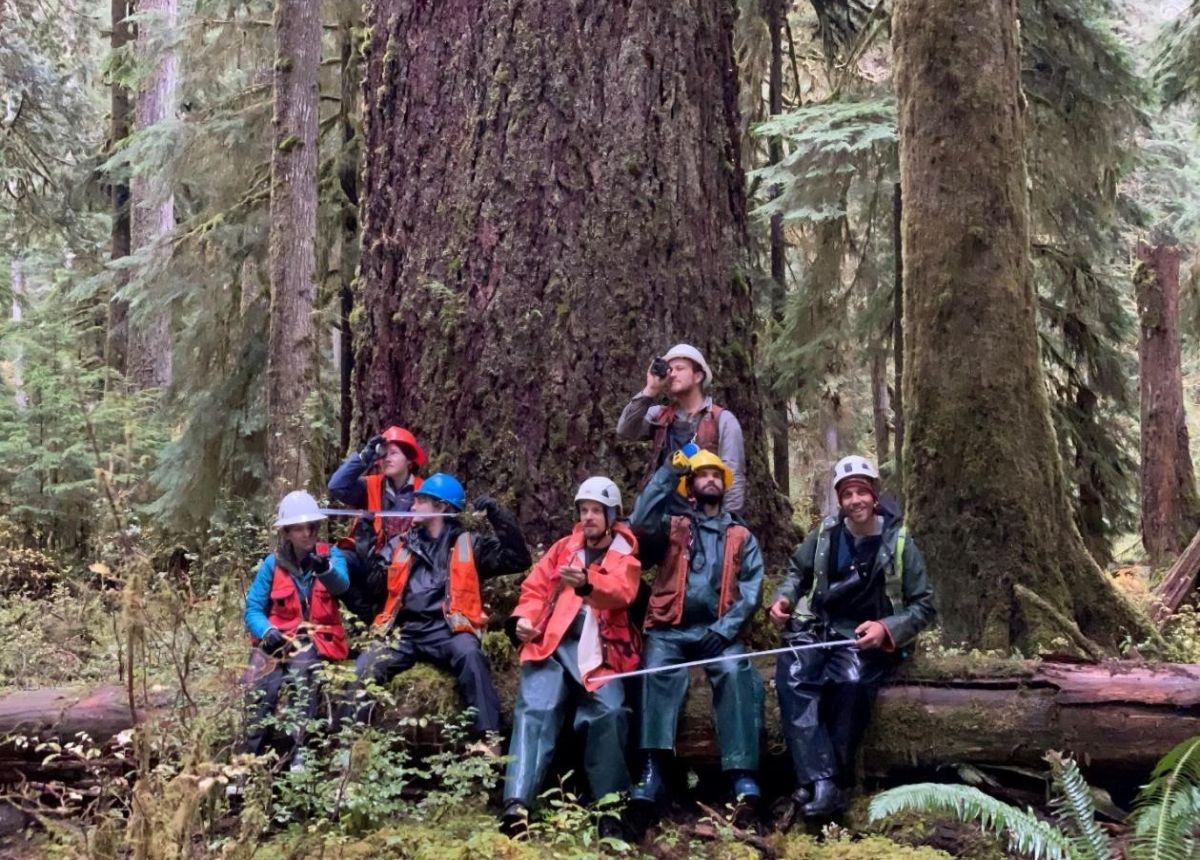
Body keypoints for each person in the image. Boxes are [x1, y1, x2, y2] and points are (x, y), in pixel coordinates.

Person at [769, 455, 936, 817]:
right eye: (847, 494)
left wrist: (886, 629)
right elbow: (798, 571)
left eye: (862, 491)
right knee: (794, 676)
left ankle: (828, 782)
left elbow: (924, 606)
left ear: (874, 495)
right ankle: (822, 782)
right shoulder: (826, 534)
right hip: (821, 627)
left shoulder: (900, 541)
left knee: (850, 683)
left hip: (868, 639)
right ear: (839, 500)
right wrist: (784, 597)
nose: (855, 500)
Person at [500, 477, 642, 839]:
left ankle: (611, 807)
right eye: (584, 510)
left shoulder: (625, 556)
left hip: (602, 654)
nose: (589, 517)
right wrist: (523, 619)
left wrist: (586, 583)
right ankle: (517, 803)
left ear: (612, 516)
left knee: (609, 713)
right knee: (536, 706)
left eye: (596, 510)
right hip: (552, 645)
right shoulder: (564, 548)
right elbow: (535, 587)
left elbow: (620, 592)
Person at [342, 473, 532, 739]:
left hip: (449, 629)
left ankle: (490, 741)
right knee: (366, 667)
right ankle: (351, 744)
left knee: (471, 657)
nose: (412, 506)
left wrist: (496, 514)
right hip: (405, 632)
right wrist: (364, 536)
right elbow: (375, 585)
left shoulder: (470, 544)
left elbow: (517, 560)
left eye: (420, 501)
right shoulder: (401, 544)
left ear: (441, 507)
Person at [627, 449, 765, 810]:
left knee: (737, 672)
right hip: (669, 629)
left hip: (719, 632)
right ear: (691, 485)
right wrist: (668, 473)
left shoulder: (741, 535)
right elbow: (638, 523)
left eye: (716, 475)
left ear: (723, 485)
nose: (710, 480)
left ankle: (741, 773)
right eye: (702, 475)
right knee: (654, 672)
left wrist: (725, 628)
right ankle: (653, 769)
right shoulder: (673, 528)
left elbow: (752, 590)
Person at [240, 491, 350, 768]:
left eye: (311, 526)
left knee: (304, 674)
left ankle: (300, 751)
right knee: (257, 682)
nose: (306, 533)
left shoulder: (331, 555)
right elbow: (253, 608)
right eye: (298, 528)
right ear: (286, 532)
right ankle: (248, 760)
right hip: (277, 638)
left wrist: (325, 570)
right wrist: (266, 631)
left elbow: (343, 586)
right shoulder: (272, 564)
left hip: (317, 638)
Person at [616, 343, 746, 512]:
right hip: (661, 522)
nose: (672, 374)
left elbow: (733, 478)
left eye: (679, 368)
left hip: (704, 522)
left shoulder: (723, 420)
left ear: (698, 376)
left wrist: (726, 527)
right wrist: (650, 389)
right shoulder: (659, 415)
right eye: (670, 369)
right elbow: (625, 430)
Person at [327, 425, 427, 621]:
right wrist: (364, 457)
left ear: (409, 460)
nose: (386, 458)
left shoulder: (424, 490)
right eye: (384, 454)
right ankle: (365, 615)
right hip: (369, 558)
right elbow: (336, 487)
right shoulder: (371, 485)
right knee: (334, 564)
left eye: (394, 453)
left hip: (408, 562)